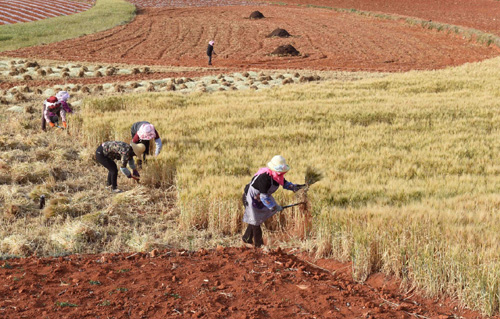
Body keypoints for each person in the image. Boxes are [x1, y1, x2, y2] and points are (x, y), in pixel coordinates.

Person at [242, 155, 306, 247]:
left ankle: (246, 238)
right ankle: (259, 246)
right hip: (250, 198)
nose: (281, 173)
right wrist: (275, 207)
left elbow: (286, 184)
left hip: (259, 199)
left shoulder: (277, 177)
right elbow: (264, 197)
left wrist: (299, 187)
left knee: (254, 219)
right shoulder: (265, 178)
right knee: (256, 222)